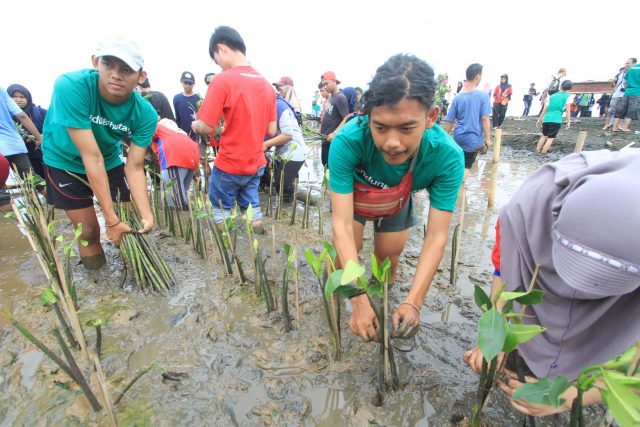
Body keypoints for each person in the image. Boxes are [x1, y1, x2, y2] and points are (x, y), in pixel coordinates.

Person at [465, 148, 640, 418]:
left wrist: (573, 396)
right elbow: (505, 270)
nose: (578, 292)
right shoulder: (528, 211)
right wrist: (493, 334)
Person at [329, 53, 464, 342]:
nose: (392, 142)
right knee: (344, 254)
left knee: (388, 257)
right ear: (368, 118)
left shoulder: (447, 156)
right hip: (354, 197)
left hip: (396, 201)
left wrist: (413, 302)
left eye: (406, 128)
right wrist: (357, 298)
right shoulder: (348, 140)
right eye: (380, 127)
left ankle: (383, 305)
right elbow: (340, 224)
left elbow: (436, 237)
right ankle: (338, 303)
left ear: (431, 117)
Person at [41, 36, 157, 269]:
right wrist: (110, 220)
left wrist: (147, 214)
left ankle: (132, 272)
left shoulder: (146, 114)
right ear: (95, 62)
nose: (116, 74)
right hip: (63, 160)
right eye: (108, 64)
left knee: (127, 221)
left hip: (108, 158)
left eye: (126, 69)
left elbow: (134, 166)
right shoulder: (71, 86)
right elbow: (90, 157)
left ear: (140, 76)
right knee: (89, 231)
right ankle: (98, 279)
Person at [191, 25, 276, 232]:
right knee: (251, 206)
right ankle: (257, 240)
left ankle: (227, 250)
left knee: (222, 208)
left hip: (230, 162)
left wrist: (196, 125)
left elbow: (207, 126)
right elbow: (272, 131)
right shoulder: (266, 85)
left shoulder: (222, 80)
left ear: (221, 48)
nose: (218, 64)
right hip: (256, 163)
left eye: (216, 58)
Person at [444, 63, 492, 180]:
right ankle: (459, 191)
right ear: (477, 77)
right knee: (466, 166)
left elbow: (450, 121)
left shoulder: (458, 97)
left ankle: (455, 185)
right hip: (473, 138)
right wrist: (488, 139)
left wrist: (444, 138)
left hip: (458, 137)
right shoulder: (483, 96)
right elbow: (485, 119)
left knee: (458, 164)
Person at [0, 87, 41, 211]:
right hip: (14, 145)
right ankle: (53, 208)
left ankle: (12, 226)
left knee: (1, 192)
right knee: (33, 180)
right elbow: (22, 115)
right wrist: (38, 137)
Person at [263, 96, 307, 202]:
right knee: (280, 185)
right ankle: (287, 207)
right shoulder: (272, 105)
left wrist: (264, 145)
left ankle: (311, 200)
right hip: (283, 151)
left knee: (283, 185)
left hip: (294, 150)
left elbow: (287, 135)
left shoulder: (278, 105)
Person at [151, 118, 199, 209]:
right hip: (193, 154)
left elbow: (144, 136)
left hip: (176, 155)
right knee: (182, 192)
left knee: (172, 199)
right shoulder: (179, 131)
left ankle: (180, 213)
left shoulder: (158, 127)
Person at [7, 84, 47, 178]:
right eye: (14, 96)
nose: (18, 100)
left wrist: (41, 136)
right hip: (21, 157)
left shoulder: (41, 112)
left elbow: (56, 131)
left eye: (22, 97)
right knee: (31, 182)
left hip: (44, 155)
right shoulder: (6, 117)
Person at [319, 71, 349, 167]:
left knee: (330, 168)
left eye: (326, 84)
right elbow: (329, 114)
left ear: (333, 81)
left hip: (332, 140)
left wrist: (334, 133)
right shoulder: (331, 96)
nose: (325, 87)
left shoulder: (340, 97)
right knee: (325, 165)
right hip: (325, 138)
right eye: (323, 85)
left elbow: (346, 118)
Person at [535, 80, 573, 154]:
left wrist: (539, 119)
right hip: (556, 120)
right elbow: (568, 111)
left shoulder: (552, 96)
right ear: (569, 89)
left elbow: (545, 108)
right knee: (550, 138)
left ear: (561, 86)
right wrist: (568, 121)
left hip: (546, 119)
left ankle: (537, 151)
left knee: (544, 136)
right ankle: (543, 153)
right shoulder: (568, 96)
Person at [612, 59, 639, 132]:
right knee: (632, 110)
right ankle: (625, 127)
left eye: (628, 63)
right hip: (636, 93)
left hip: (627, 92)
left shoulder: (629, 70)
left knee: (621, 109)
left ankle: (614, 127)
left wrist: (628, 87)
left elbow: (624, 82)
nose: (627, 64)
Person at [173, 71, 201, 140]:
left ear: (194, 84)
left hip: (197, 135)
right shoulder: (176, 98)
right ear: (181, 82)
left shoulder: (198, 98)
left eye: (190, 83)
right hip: (183, 135)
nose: (187, 86)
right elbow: (178, 117)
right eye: (185, 83)